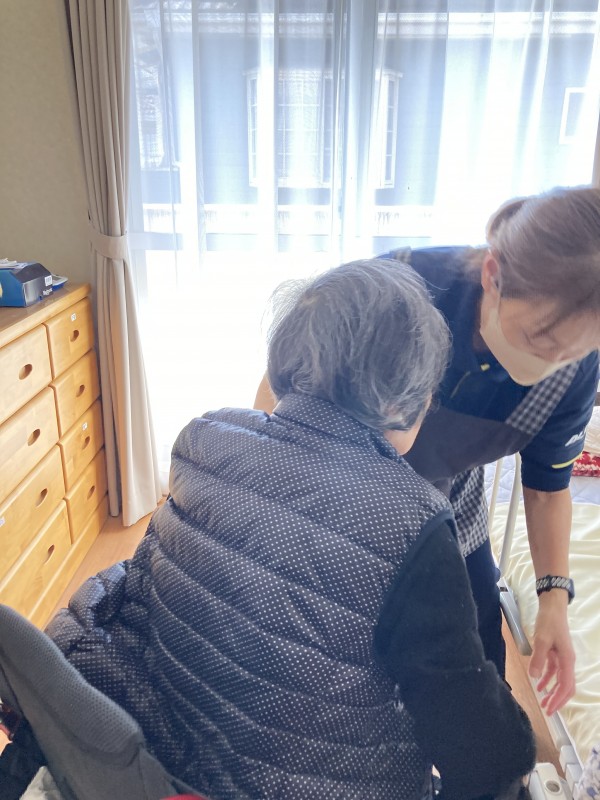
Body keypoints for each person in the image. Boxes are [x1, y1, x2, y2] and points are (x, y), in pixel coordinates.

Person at [44, 259, 534, 800]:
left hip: (161, 753)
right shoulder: (411, 522)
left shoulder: (204, 437)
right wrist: (516, 741)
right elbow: (478, 751)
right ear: (407, 402)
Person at [254, 185, 600, 717]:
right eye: (542, 341)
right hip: (340, 480)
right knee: (328, 642)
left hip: (447, 498)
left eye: (574, 354)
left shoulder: (573, 367)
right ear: (493, 275)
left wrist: (554, 601)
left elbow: (548, 488)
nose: (553, 366)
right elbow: (283, 386)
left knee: (475, 656)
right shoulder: (399, 291)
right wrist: (274, 495)